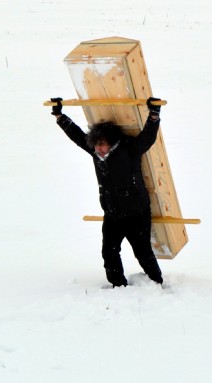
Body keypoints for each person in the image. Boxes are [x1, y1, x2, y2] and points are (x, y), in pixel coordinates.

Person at [50, 97, 164, 288]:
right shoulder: (96, 152)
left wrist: (154, 115)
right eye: (96, 145)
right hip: (112, 214)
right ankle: (118, 285)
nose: (99, 149)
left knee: (142, 251)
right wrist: (60, 116)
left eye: (102, 145)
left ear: (112, 142)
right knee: (109, 251)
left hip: (136, 212)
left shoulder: (129, 149)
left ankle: (156, 282)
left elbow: (147, 138)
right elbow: (78, 136)